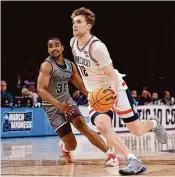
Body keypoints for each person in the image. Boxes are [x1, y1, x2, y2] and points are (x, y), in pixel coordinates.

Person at [70, 7, 168, 175]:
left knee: (136, 130)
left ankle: (153, 123)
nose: (74, 25)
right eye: (73, 22)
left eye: (79, 22)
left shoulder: (97, 47)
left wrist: (113, 92)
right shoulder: (73, 43)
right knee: (101, 124)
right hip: (96, 94)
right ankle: (132, 159)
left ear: (89, 26)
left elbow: (112, 74)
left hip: (115, 89)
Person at [37, 37, 119, 166]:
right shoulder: (46, 66)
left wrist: (93, 96)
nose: (54, 48)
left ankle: (110, 154)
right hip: (52, 107)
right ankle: (65, 148)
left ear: (62, 48)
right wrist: (59, 105)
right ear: (48, 50)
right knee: (72, 145)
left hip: (67, 102)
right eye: (51, 46)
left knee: (83, 126)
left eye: (57, 45)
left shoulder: (70, 65)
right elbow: (41, 90)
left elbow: (81, 86)